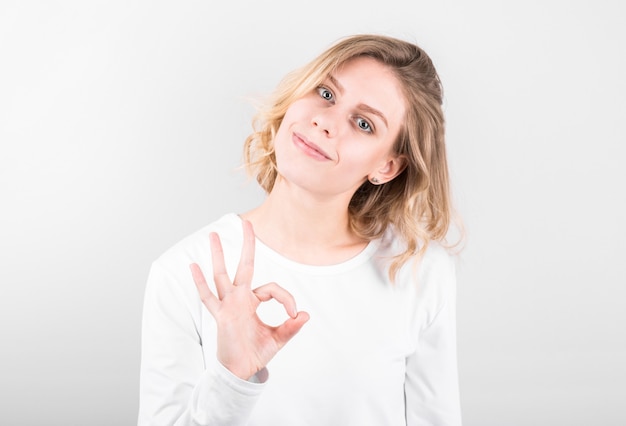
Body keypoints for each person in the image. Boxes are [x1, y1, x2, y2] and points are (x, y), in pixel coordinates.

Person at [138, 34, 463, 425]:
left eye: (363, 123)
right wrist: (232, 380)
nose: (324, 122)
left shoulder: (418, 271)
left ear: (387, 167)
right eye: (325, 93)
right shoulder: (185, 273)